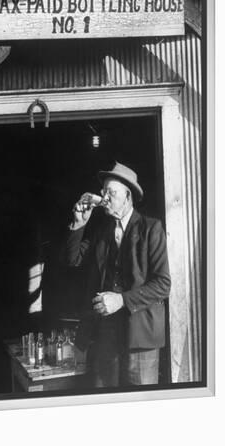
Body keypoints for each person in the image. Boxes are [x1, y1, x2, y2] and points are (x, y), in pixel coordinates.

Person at [66, 161, 171, 387]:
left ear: (127, 197)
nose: (104, 198)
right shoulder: (101, 231)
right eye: (103, 192)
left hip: (141, 338)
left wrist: (121, 300)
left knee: (140, 408)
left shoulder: (151, 228)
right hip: (105, 337)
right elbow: (72, 260)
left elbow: (163, 284)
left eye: (111, 193)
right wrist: (78, 224)